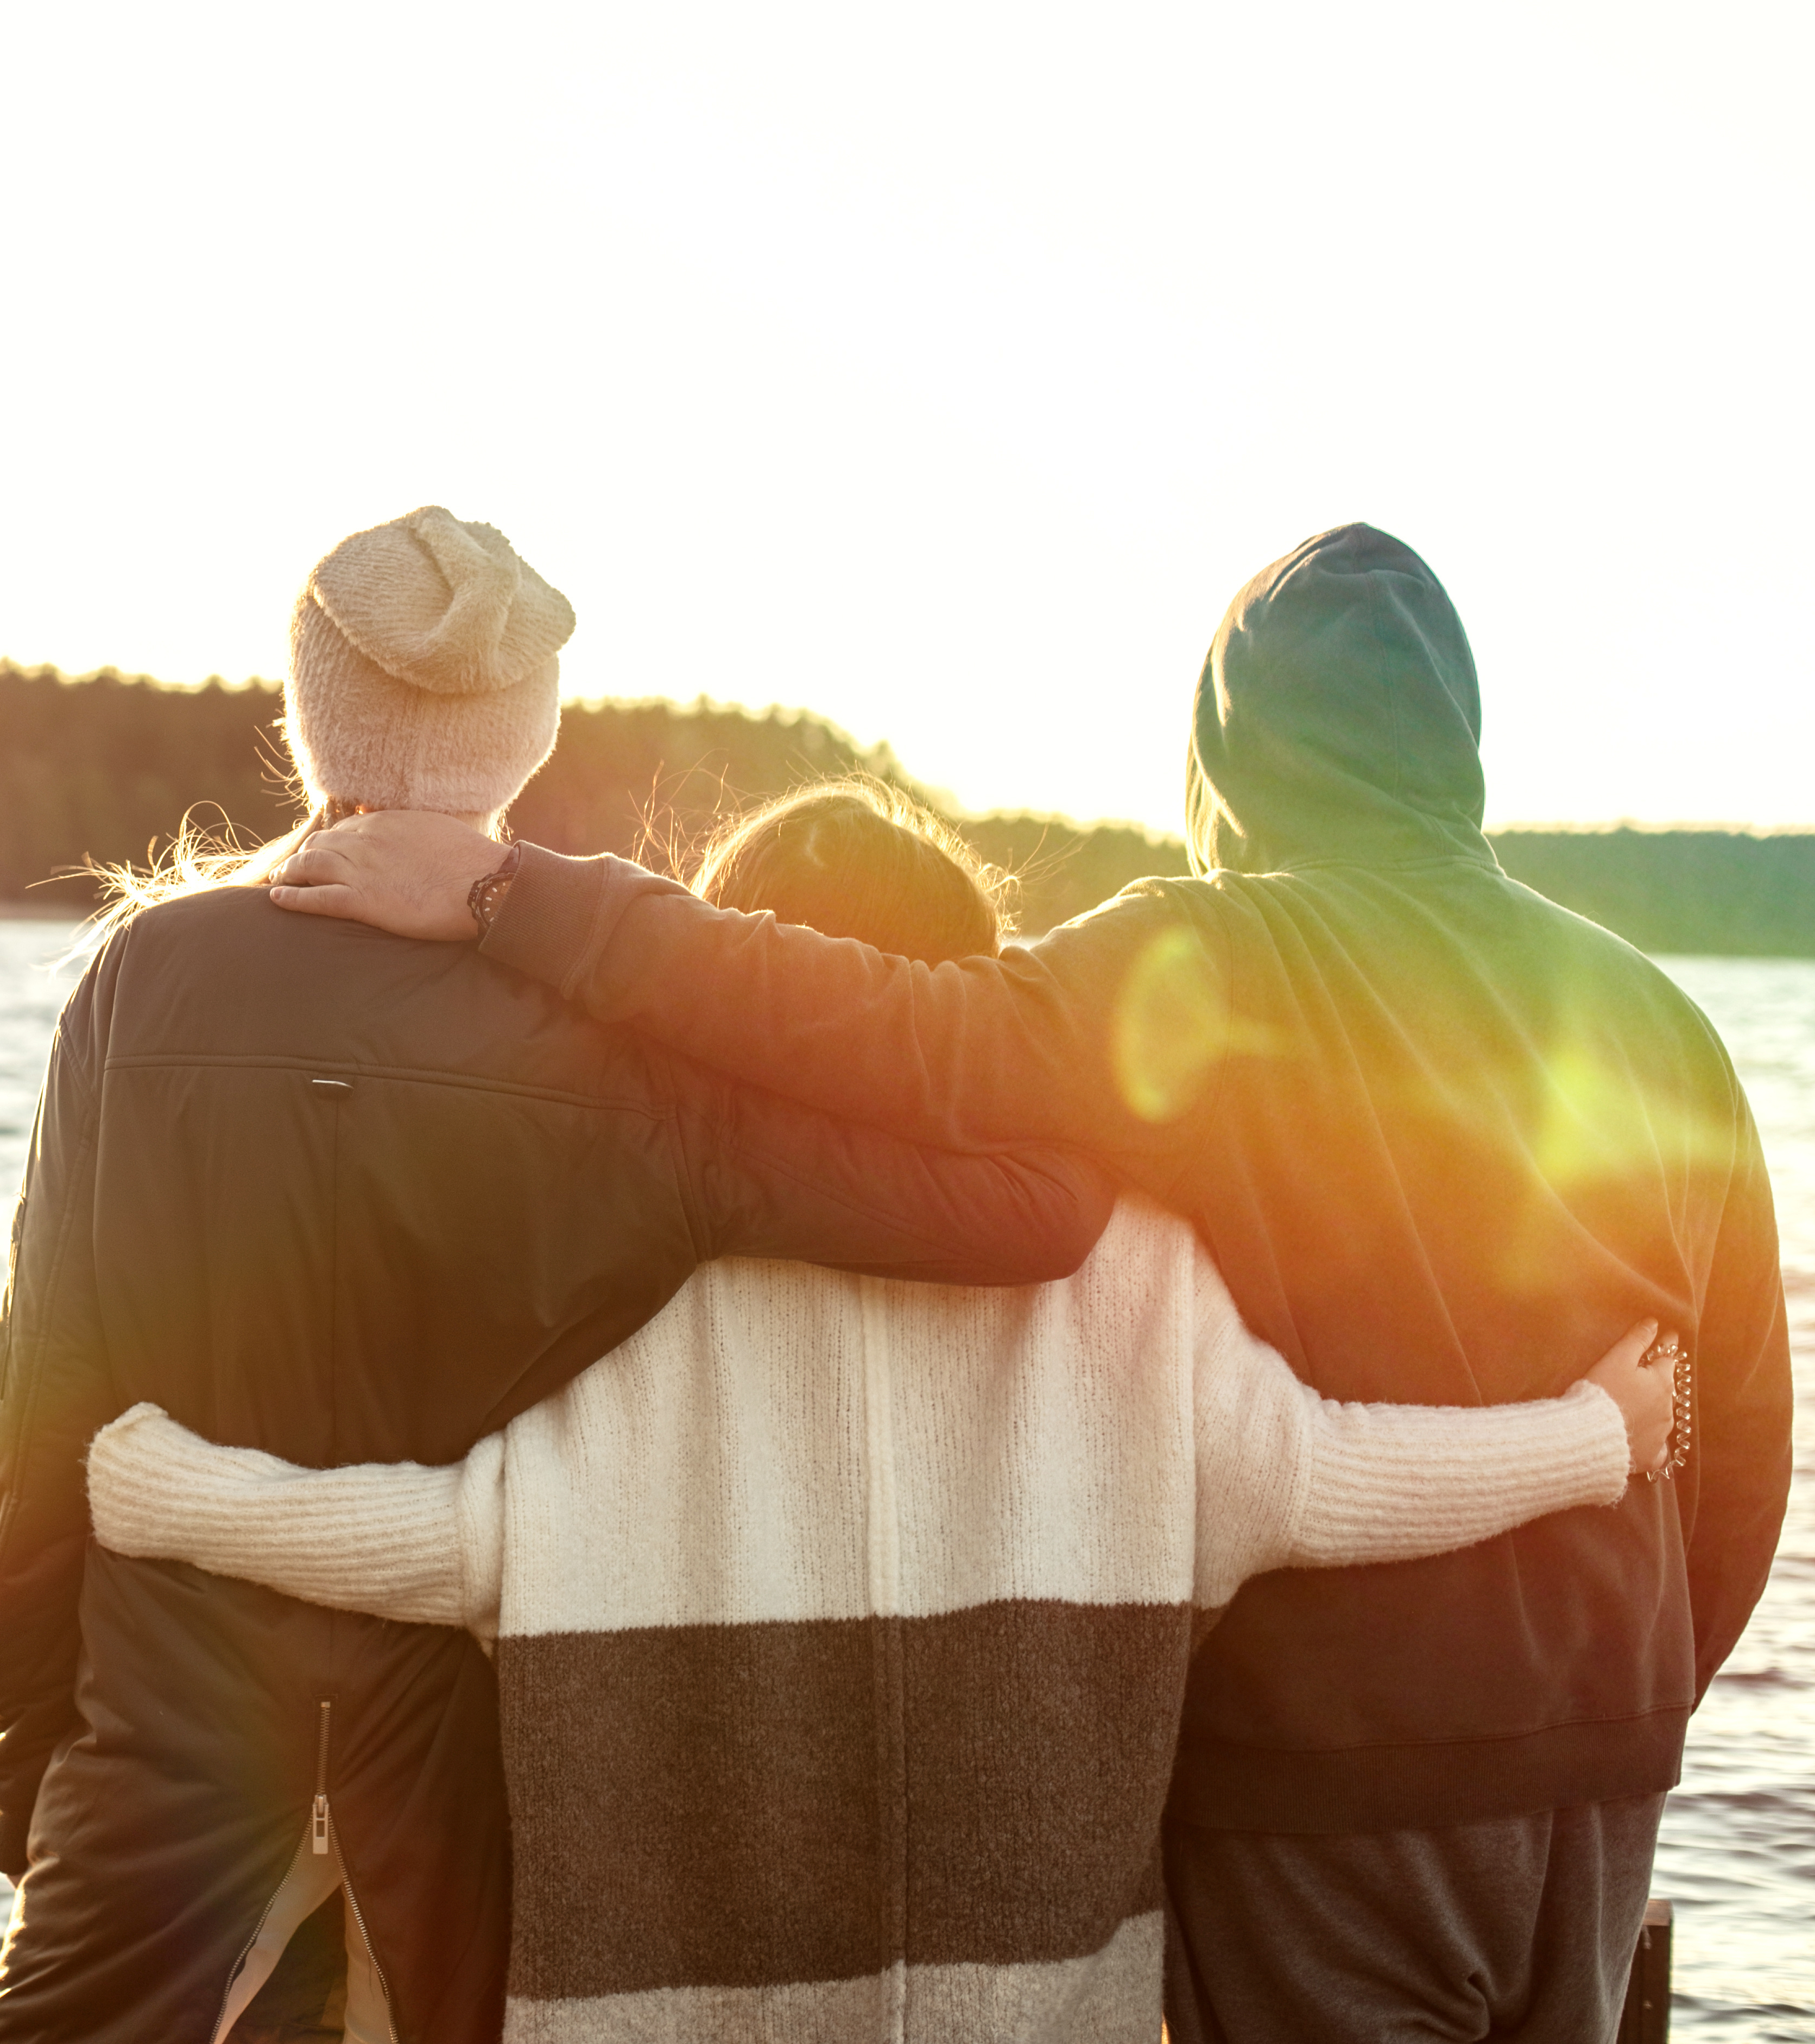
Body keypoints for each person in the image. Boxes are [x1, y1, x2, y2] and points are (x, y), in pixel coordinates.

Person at [266, 526, 1790, 2044]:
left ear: (1222, 766)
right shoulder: (1660, 1020)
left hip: (1329, 1778)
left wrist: (511, 901)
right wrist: (1625, 1696)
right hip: (1603, 1779)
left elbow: (884, 1031)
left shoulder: (1208, 957)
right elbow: (1738, 1456)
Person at [0, 510, 1116, 2044]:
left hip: (156, 1776)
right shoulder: (635, 1052)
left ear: (307, 707)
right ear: (534, 729)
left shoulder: (139, 981)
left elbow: (42, 1422)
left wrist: (34, 1769)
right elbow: (1036, 1208)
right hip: (452, 1804)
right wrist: (580, 920)